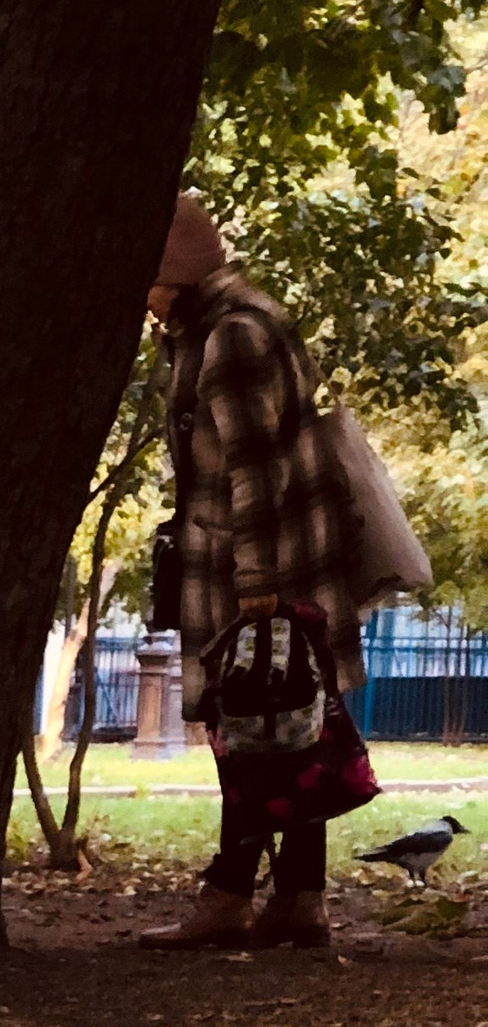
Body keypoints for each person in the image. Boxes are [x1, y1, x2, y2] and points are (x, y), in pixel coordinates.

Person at [138, 193, 364, 952]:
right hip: (273, 562)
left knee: (248, 729)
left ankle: (230, 895)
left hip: (253, 568)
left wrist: (257, 585)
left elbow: (251, 468)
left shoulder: (229, 336)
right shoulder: (240, 320)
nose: (144, 299)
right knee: (286, 731)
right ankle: (299, 898)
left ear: (178, 275)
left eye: (152, 281)